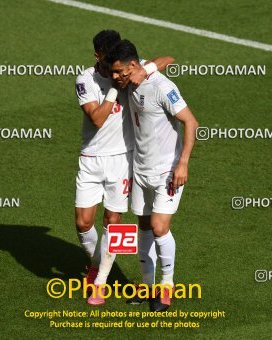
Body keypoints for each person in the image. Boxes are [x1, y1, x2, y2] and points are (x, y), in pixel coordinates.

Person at [74, 30, 174, 305]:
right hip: (91, 157)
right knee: (83, 223)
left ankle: (100, 280)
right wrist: (115, 89)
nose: (115, 71)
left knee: (113, 223)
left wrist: (147, 69)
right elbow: (96, 119)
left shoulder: (124, 68)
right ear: (97, 57)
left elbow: (168, 58)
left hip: (122, 159)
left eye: (118, 67)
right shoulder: (86, 79)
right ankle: (97, 262)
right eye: (108, 63)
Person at [106, 39, 198, 311]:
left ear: (132, 66)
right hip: (140, 169)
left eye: (118, 73)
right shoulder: (133, 76)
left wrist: (183, 164)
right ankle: (146, 285)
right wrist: (144, 69)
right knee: (143, 226)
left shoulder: (162, 87)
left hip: (167, 172)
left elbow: (191, 122)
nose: (115, 78)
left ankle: (166, 287)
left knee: (159, 227)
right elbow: (162, 57)